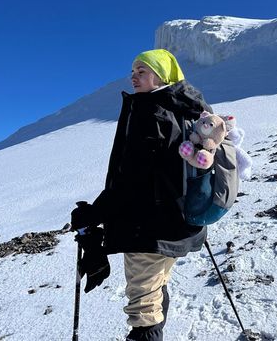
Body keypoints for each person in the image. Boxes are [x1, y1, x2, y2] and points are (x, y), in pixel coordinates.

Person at [70, 49, 212, 341]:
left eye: (142, 71)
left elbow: (132, 179)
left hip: (149, 228)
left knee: (143, 310)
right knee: (155, 289)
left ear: (161, 76)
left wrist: (94, 214)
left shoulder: (151, 111)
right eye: (133, 71)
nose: (133, 76)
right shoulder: (184, 108)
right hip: (178, 223)